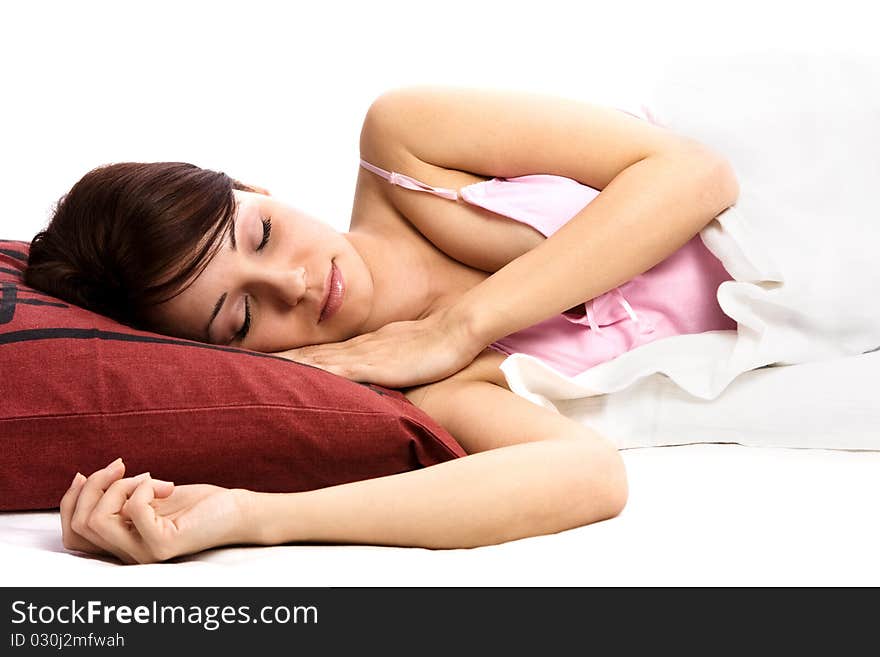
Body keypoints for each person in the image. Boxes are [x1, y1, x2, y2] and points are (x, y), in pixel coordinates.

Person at [25, 85, 739, 564]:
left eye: (263, 234)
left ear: (256, 189)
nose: (296, 285)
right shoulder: (430, 394)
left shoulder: (406, 144)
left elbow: (697, 173)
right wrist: (249, 517)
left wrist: (458, 325)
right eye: (242, 317)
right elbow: (589, 475)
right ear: (220, 358)